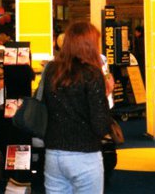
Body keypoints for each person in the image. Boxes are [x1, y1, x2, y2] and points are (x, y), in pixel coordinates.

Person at [42, 21, 111, 193]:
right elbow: (100, 125)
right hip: (84, 155)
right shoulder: (92, 73)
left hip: (53, 153)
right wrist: (106, 94)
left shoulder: (51, 70)